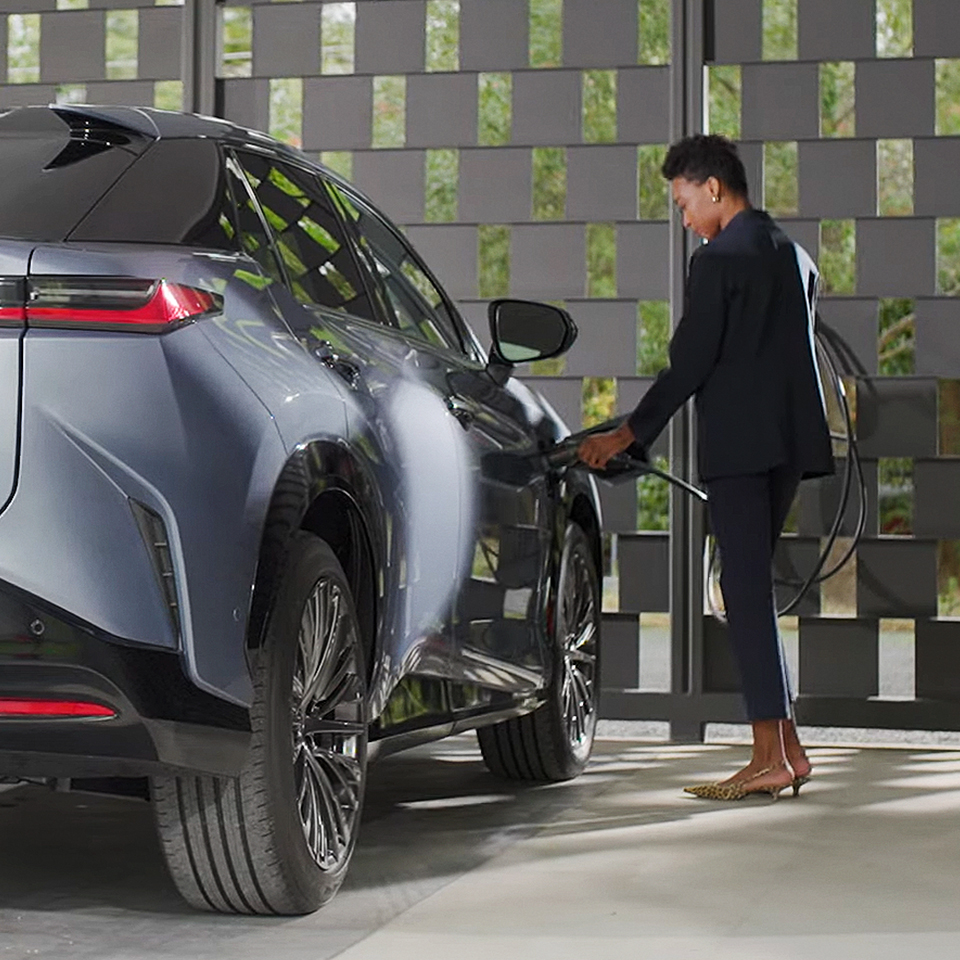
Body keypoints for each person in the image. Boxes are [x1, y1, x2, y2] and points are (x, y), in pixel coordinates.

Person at [578, 134, 834, 801]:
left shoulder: (720, 260)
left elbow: (692, 362)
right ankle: (791, 751)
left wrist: (628, 434)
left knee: (744, 595)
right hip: (787, 447)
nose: (685, 218)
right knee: (753, 592)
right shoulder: (793, 254)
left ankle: (766, 758)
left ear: (713, 187)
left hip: (742, 451)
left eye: (684, 202)